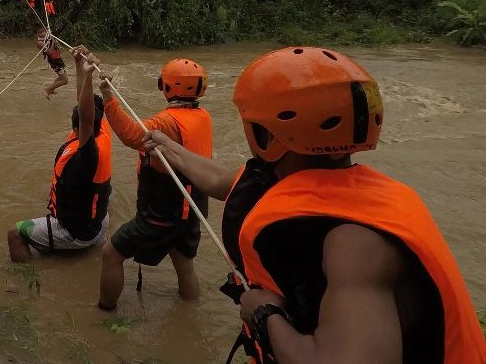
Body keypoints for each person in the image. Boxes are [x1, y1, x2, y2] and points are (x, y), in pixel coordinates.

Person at [143, 47, 486, 364]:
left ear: (264, 134)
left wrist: (266, 316)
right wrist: (166, 146)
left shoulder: (354, 244)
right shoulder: (331, 185)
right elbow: (223, 181)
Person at [97, 59, 212, 308]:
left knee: (110, 253)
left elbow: (131, 134)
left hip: (163, 213)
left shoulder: (167, 123)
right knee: (184, 264)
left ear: (166, 87)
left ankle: (104, 313)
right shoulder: (203, 116)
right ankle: (190, 314)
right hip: (192, 209)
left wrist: (108, 96)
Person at [8, 45, 112, 261]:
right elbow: (85, 106)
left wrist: (90, 74)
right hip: (100, 223)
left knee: (15, 233)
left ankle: (22, 283)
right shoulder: (103, 131)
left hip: (78, 233)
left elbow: (84, 115)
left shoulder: (87, 152)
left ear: (79, 129)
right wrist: (78, 65)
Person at [36, 26, 69, 100]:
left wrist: (52, 40)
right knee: (65, 80)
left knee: (61, 77)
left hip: (58, 59)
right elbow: (49, 52)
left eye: (43, 32)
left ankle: (51, 90)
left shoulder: (47, 38)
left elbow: (54, 48)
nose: (42, 34)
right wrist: (53, 41)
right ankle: (47, 90)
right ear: (37, 34)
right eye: (39, 33)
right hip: (54, 61)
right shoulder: (40, 42)